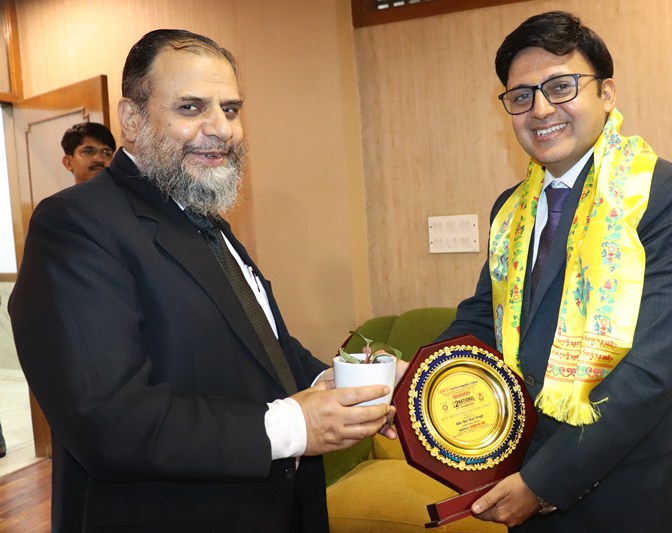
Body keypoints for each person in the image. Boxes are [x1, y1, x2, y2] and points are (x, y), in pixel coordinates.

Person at [9, 29, 398, 532]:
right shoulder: (76, 223)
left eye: (230, 109)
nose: (221, 129)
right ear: (132, 119)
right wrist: (294, 426)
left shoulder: (203, 217)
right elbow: (108, 419)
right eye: (191, 108)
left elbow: (265, 350)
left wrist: (339, 384)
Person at [436, 11, 672, 532]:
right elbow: (481, 320)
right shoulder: (510, 209)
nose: (540, 109)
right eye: (522, 96)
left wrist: (544, 483)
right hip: (522, 475)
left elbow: (652, 370)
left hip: (633, 492)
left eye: (561, 87)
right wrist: (414, 385)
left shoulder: (665, 194)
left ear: (606, 93)